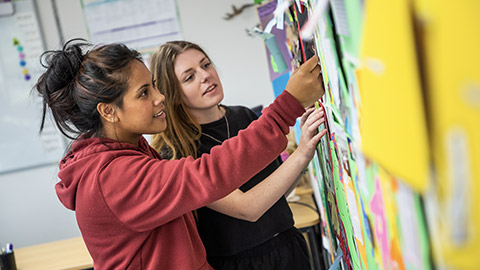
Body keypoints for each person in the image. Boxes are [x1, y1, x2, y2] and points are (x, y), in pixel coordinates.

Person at [34, 38, 324, 270]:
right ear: (109, 111)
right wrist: (288, 106)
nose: (160, 97)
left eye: (154, 86)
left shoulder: (128, 151)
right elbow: (207, 175)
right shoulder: (112, 178)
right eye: (144, 93)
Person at [149, 40, 326, 270]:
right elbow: (248, 208)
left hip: (288, 246)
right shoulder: (177, 153)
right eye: (189, 77)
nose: (205, 76)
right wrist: (301, 153)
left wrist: (307, 148)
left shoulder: (245, 116)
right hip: (241, 264)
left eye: (205, 65)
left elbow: (279, 191)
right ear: (173, 93)